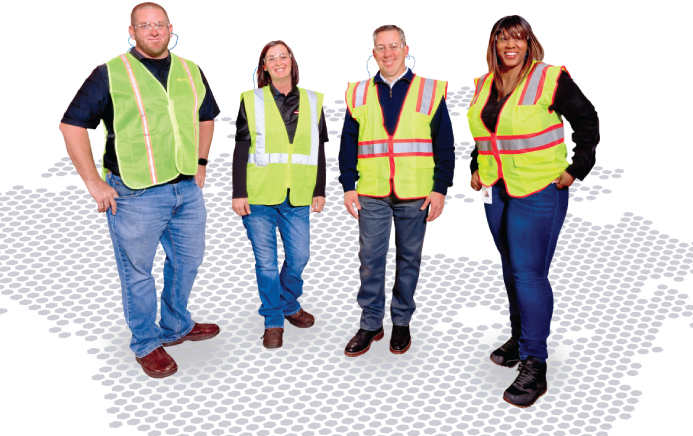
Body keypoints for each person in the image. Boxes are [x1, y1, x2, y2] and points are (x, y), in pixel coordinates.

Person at [59, 2, 220, 379]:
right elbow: (72, 125)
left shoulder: (190, 70)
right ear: (131, 31)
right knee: (138, 273)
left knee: (188, 262)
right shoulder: (110, 73)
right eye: (144, 25)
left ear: (170, 28)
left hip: (186, 188)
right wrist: (93, 183)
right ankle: (147, 342)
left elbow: (206, 116)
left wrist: (200, 162)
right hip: (134, 193)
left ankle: (176, 325)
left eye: (159, 24)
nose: (153, 31)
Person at [467, 15, 600, 407]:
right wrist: (476, 165)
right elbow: (487, 133)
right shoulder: (484, 83)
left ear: (529, 42)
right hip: (498, 189)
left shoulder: (549, 78)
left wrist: (577, 168)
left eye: (518, 37)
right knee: (511, 268)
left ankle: (535, 363)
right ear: (493, 43)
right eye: (503, 38)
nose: (511, 44)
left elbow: (587, 119)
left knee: (528, 274)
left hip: (539, 188)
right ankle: (520, 337)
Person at [339, 24, 455, 357]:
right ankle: (370, 323)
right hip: (372, 190)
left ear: (406, 49)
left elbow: (444, 144)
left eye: (393, 46)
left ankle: (401, 322)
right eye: (381, 47)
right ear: (373, 53)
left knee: (409, 260)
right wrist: (348, 185)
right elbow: (348, 142)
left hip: (416, 191)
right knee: (370, 261)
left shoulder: (429, 90)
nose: (387, 53)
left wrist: (440, 188)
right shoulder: (359, 93)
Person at [231, 41, 328, 349]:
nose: (278, 61)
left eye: (282, 56)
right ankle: (273, 319)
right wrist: (238, 192)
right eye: (270, 58)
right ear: (264, 66)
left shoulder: (313, 100)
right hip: (259, 193)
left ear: (291, 61)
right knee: (266, 263)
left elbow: (318, 148)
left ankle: (288, 302)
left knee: (300, 256)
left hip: (298, 193)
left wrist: (319, 189)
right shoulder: (251, 100)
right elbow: (241, 147)